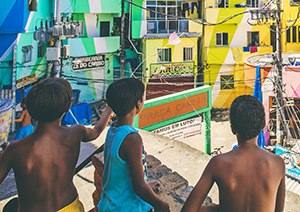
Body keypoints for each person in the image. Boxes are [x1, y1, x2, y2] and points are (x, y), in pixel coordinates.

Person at [0, 77, 112, 212]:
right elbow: (96, 131)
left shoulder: (15, 149)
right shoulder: (76, 132)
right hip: (70, 208)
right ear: (67, 106)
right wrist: (108, 111)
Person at [182, 95, 285, 212]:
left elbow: (188, 210)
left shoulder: (218, 164)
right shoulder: (277, 164)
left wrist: (221, 209)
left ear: (232, 128)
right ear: (262, 125)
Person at [98, 78, 170, 212]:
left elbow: (121, 173)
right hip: (127, 208)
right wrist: (160, 204)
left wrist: (146, 185)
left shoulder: (113, 130)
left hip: (110, 204)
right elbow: (138, 186)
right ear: (138, 104)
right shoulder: (131, 138)